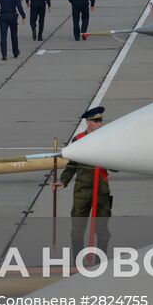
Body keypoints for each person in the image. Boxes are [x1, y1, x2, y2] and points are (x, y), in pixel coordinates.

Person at [54, 107, 112, 258]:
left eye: (100, 121)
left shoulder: (107, 139)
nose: (99, 124)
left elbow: (116, 164)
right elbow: (72, 164)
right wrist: (63, 181)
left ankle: (101, 262)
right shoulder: (79, 140)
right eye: (96, 121)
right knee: (77, 231)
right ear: (88, 122)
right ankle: (78, 264)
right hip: (82, 190)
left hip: (101, 190)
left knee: (102, 230)